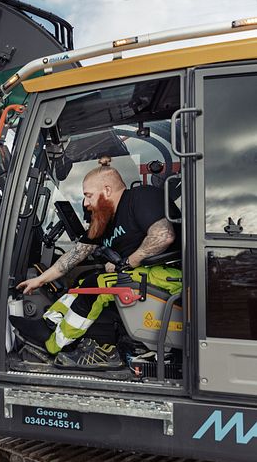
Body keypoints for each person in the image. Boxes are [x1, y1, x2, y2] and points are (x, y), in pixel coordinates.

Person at [12, 157, 180, 369]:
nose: (85, 203)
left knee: (95, 284)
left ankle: (53, 345)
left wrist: (127, 263)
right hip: (145, 276)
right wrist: (39, 280)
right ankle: (48, 324)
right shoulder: (104, 220)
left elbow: (163, 235)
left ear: (107, 190)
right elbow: (76, 254)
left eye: (88, 195)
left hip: (170, 276)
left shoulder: (141, 196)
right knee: (85, 282)